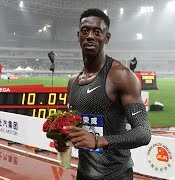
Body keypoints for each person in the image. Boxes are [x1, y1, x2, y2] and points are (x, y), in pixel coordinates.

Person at [54, 8, 151, 180]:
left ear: (107, 37)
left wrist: (99, 141)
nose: (90, 35)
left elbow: (143, 132)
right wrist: (63, 140)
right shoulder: (73, 82)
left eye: (97, 31)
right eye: (85, 31)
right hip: (84, 172)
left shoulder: (121, 76)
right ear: (79, 35)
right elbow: (76, 129)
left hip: (116, 174)